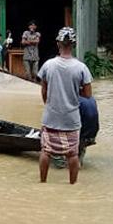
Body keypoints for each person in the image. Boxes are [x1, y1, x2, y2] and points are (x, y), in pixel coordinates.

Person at [38, 27, 92, 184]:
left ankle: (43, 182)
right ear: (73, 45)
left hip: (51, 116)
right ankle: (72, 185)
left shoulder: (48, 65)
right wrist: (74, 92)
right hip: (71, 118)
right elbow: (88, 95)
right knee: (72, 154)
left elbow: (44, 92)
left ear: (58, 44)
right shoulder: (81, 68)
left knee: (46, 151)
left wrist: (50, 104)